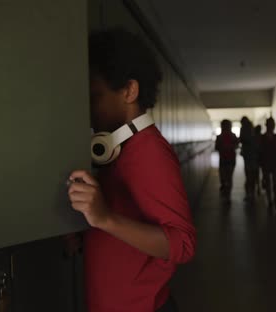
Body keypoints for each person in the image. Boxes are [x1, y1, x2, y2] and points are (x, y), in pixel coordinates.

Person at [66, 28, 195, 312]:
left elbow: (183, 244)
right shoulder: (120, 147)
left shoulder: (149, 152)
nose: (88, 110)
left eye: (95, 97)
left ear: (129, 91)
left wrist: (105, 219)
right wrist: (90, 232)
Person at [215, 119, 239, 199]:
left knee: (229, 177)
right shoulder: (219, 137)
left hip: (230, 159)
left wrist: (230, 147)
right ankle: (225, 191)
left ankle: (228, 195)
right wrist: (223, 148)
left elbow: (236, 145)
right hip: (223, 160)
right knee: (223, 178)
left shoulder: (233, 136)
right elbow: (217, 147)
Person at [239, 116, 255, 200]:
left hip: (249, 155)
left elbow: (241, 140)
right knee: (251, 175)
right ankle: (251, 193)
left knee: (249, 175)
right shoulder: (251, 129)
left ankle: (250, 193)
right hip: (250, 155)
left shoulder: (245, 129)